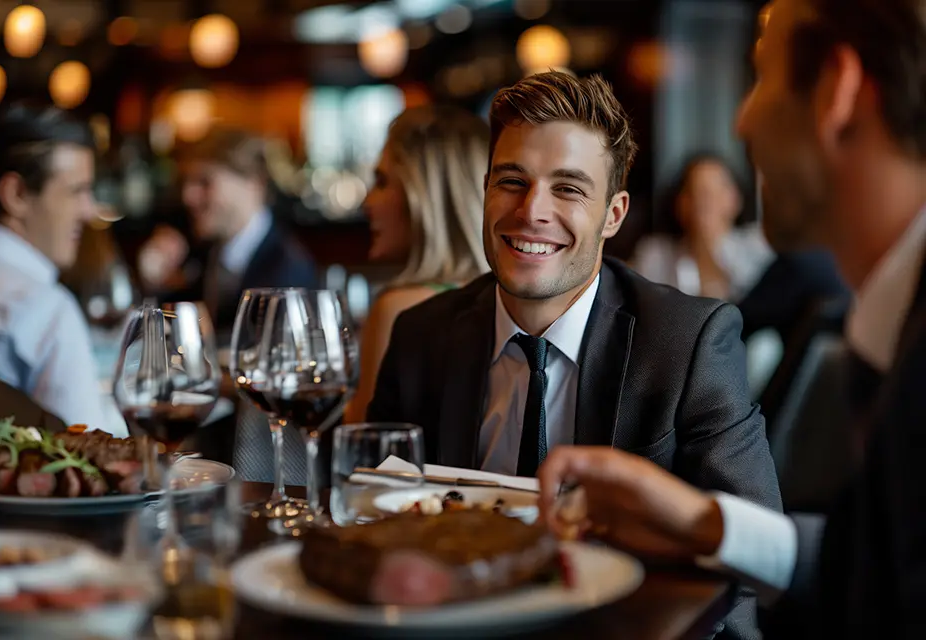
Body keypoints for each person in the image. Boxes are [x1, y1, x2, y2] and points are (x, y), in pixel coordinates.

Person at [538, 1, 926, 637]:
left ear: (837, 90)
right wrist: (706, 525)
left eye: (761, 78)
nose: (742, 122)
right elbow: (874, 572)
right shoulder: (891, 323)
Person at [368, 71, 780, 639]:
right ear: (484, 190)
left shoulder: (688, 342)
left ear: (613, 215)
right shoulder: (420, 336)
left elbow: (752, 562)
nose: (532, 211)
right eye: (512, 181)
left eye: (568, 188)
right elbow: (372, 517)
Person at [345, 105, 491, 423]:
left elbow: (361, 448)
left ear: (427, 197)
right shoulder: (500, 299)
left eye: (382, 182)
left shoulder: (399, 308)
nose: (367, 202)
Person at [0, 104, 108, 431]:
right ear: (16, 194)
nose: (89, 211)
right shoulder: (45, 310)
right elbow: (93, 459)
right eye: (77, 191)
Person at [141, 128, 318, 343]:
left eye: (205, 182)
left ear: (254, 184)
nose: (188, 196)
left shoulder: (288, 272)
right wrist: (155, 283)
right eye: (185, 183)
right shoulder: (199, 255)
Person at [631, 154, 773, 301]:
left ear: (736, 199)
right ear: (680, 203)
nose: (705, 200)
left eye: (716, 191)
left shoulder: (758, 248)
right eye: (696, 191)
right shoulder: (655, 255)